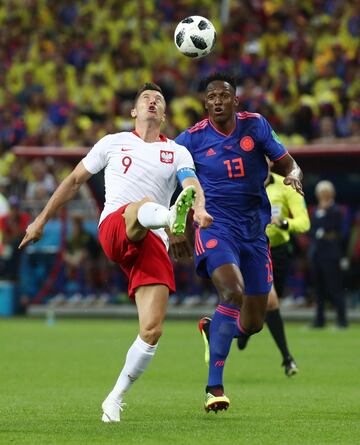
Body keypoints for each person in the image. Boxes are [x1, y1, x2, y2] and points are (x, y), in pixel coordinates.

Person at [19, 82, 213, 422]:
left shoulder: (178, 152)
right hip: (116, 225)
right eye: (146, 99)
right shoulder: (113, 142)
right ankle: (170, 217)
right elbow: (74, 181)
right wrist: (40, 220)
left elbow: (192, 185)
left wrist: (198, 209)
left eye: (159, 100)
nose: (153, 102)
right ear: (133, 112)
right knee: (141, 206)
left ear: (164, 115)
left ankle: (114, 398)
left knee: (152, 331)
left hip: (153, 243)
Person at [175, 73, 303, 413]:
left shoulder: (256, 126)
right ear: (205, 103)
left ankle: (213, 326)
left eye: (224, 95)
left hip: (254, 231)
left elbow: (289, 163)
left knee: (253, 323)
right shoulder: (190, 139)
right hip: (215, 225)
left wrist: (293, 174)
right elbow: (166, 175)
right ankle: (214, 388)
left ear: (236, 100)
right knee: (232, 292)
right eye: (212, 96)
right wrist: (176, 227)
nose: (218, 100)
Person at [236, 166, 310, 377]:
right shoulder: (242, 184)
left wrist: (283, 222)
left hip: (278, 252)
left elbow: (304, 222)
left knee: (263, 307)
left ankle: (245, 330)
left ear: (268, 161)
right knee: (270, 300)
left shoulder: (286, 186)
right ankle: (287, 358)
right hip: (253, 248)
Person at [309, 180, 347, 328]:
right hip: (317, 254)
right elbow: (311, 230)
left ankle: (342, 321)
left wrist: (321, 231)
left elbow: (334, 230)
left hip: (331, 255)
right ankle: (319, 321)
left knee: (335, 288)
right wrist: (321, 232)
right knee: (318, 290)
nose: (321, 196)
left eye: (324, 193)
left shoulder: (335, 210)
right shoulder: (316, 211)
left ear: (330, 194)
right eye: (320, 193)